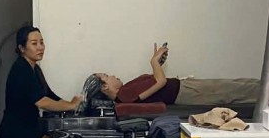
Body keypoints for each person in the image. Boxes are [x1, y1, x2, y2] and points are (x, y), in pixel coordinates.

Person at [91, 45, 258, 107]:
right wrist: (154, 61)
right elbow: (161, 82)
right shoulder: (125, 96)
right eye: (107, 76)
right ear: (105, 87)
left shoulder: (126, 91)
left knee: (237, 85)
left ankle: (267, 88)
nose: (112, 75)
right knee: (234, 90)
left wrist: (158, 63)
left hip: (185, 87)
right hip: (187, 93)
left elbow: (155, 82)